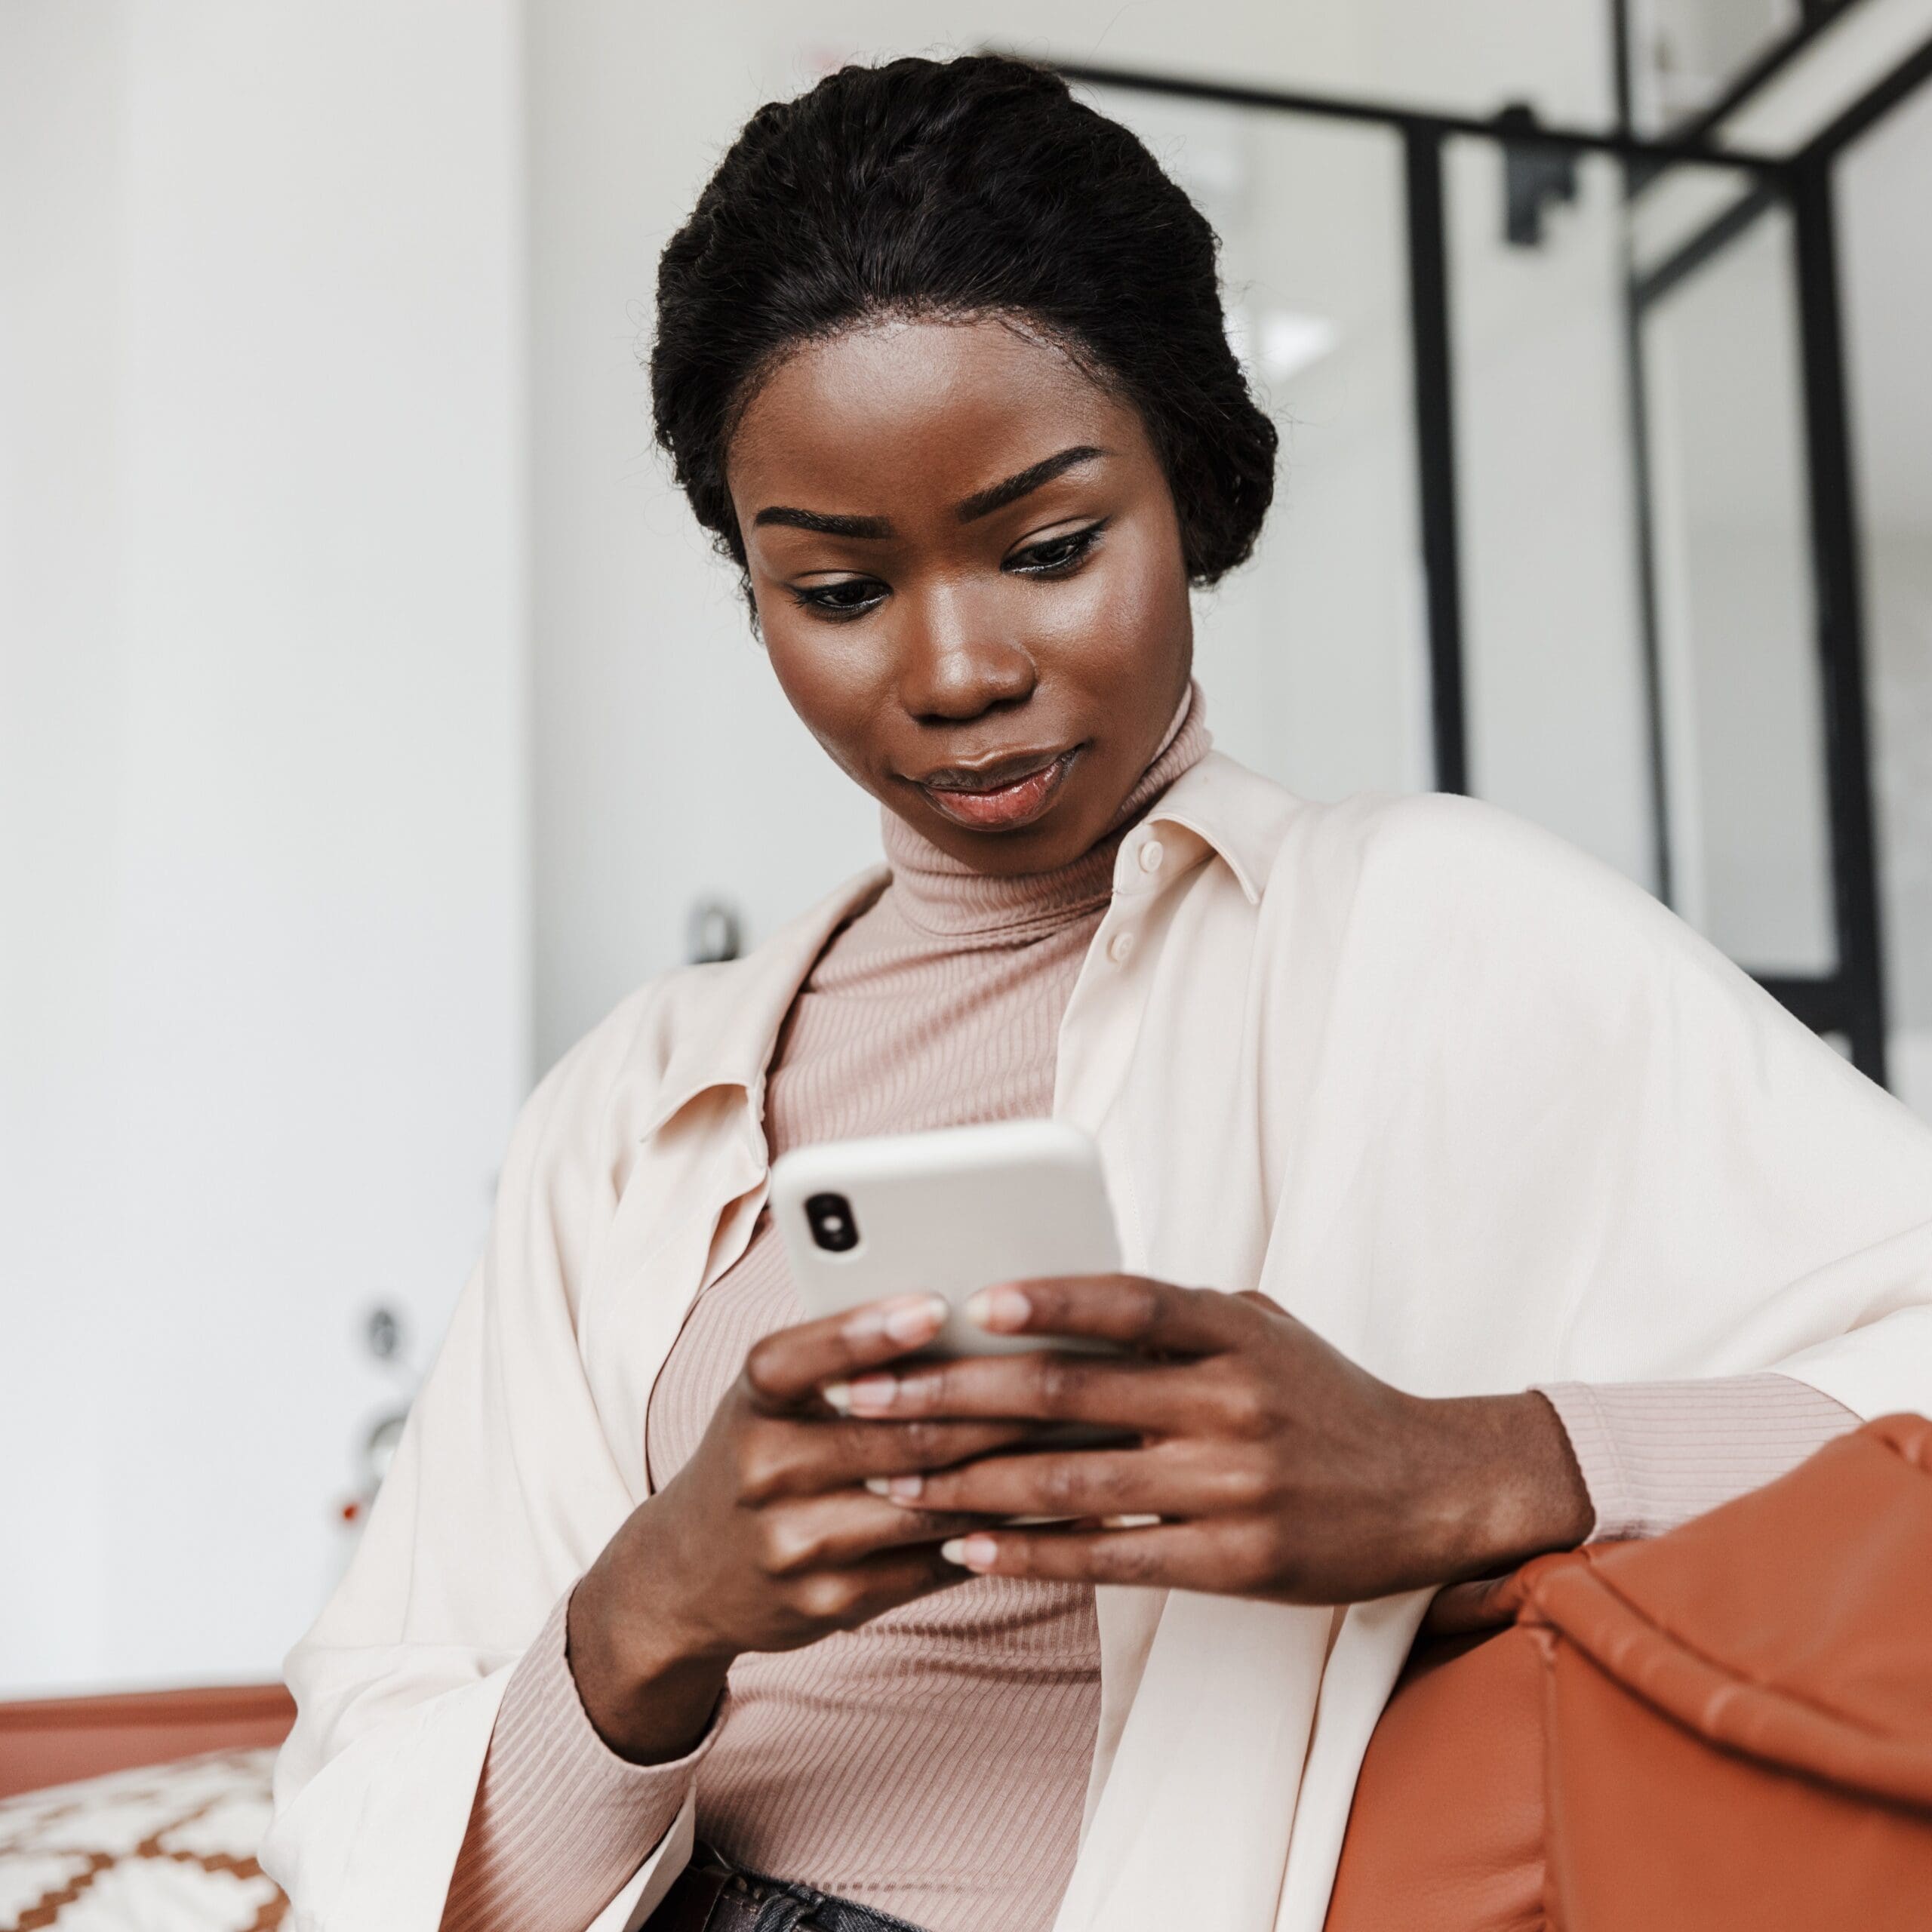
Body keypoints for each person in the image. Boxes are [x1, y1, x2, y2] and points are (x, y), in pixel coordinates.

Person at [262, 54, 1932, 1932]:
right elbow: (367, 1808)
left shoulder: (1434, 929)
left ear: (1192, 492)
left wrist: (1483, 1466)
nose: (956, 666)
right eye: (835, 589)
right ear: (753, 592)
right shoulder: (629, 1104)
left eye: (1048, 549)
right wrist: (652, 1618)